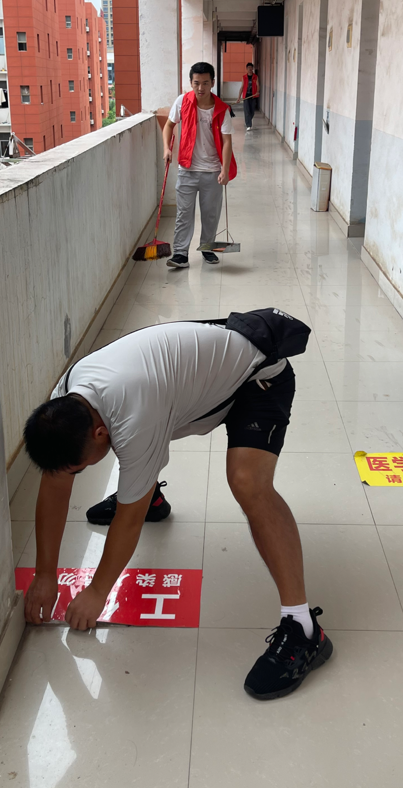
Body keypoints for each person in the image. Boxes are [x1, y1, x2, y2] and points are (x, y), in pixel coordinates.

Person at [22, 314, 333, 700]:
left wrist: (98, 591)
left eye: (80, 467)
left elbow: (128, 521)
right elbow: (55, 485)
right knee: (139, 448)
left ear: (100, 432)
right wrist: (45, 574)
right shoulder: (66, 402)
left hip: (258, 378)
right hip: (184, 382)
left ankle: (304, 629)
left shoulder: (134, 415)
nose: (75, 474)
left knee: (248, 483)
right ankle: (149, 493)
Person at [162, 62, 235, 270]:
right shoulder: (182, 102)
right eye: (196, 83)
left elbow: (227, 142)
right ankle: (180, 254)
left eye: (205, 83)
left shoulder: (222, 109)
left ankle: (207, 248)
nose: (200, 88)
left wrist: (224, 170)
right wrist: (166, 149)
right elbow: (168, 126)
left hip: (212, 170)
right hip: (187, 169)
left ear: (213, 82)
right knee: (183, 214)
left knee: (210, 214)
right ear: (190, 82)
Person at [236, 62, 259, 131]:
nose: (250, 69)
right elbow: (242, 87)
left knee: (252, 112)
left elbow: (258, 85)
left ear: (252, 68)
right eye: (248, 68)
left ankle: (248, 121)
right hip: (246, 97)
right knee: (247, 111)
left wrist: (257, 91)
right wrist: (239, 98)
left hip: (253, 96)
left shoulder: (255, 77)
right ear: (246, 69)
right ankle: (248, 125)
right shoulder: (244, 77)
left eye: (251, 68)